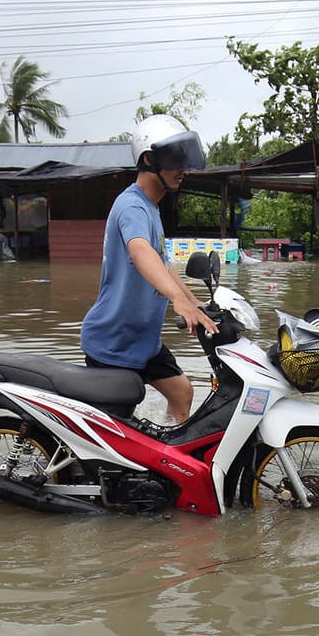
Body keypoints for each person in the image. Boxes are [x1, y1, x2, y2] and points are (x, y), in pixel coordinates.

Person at [81, 114, 218, 427]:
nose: (182, 170)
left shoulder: (151, 208)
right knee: (116, 438)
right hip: (115, 343)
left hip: (143, 340)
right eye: (175, 161)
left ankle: (165, 469)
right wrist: (175, 299)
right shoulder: (131, 206)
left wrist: (195, 302)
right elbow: (140, 251)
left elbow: (163, 264)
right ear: (149, 159)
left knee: (182, 393)